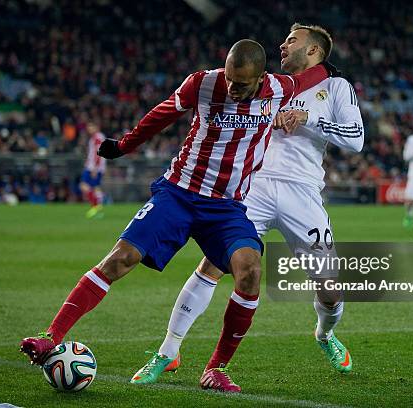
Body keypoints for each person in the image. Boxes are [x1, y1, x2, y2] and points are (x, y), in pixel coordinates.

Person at [20, 38, 335, 393]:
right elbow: (161, 115)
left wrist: (327, 69)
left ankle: (216, 369)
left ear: (261, 76)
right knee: (122, 258)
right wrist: (123, 146)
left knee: (250, 271)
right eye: (230, 79)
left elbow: (311, 77)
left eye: (242, 83)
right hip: (180, 193)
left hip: (226, 208)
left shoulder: (280, 88)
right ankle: (51, 336)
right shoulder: (202, 82)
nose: (232, 88)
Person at [130, 24, 364, 388]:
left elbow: (357, 139)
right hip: (251, 187)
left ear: (315, 51)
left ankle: (323, 334)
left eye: (292, 40)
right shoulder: (265, 82)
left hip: (302, 193)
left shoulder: (335, 88)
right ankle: (167, 351)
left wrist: (309, 118)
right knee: (213, 266)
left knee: (330, 288)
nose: (283, 45)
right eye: (284, 39)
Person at [80, 123, 107, 218]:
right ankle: (98, 209)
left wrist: (95, 168)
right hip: (95, 166)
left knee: (84, 186)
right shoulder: (98, 137)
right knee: (96, 187)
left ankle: (95, 206)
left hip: (93, 167)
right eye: (88, 127)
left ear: (96, 127)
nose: (89, 129)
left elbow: (98, 153)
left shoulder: (97, 137)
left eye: (91, 127)